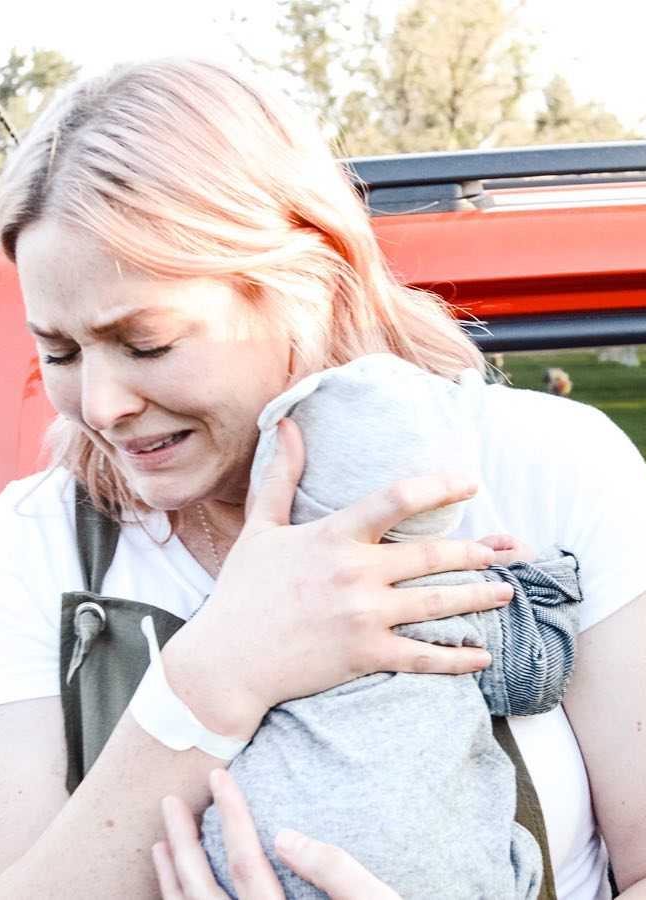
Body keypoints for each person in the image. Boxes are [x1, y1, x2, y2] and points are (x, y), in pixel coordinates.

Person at [0, 58, 646, 899]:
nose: (101, 403)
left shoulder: (549, 465)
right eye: (57, 351)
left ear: (304, 278)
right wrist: (212, 681)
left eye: (148, 343)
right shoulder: (31, 548)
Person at [200, 352, 582, 898]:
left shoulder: (247, 597)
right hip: (431, 875)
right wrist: (539, 575)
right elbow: (534, 682)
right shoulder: (460, 593)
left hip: (255, 855)